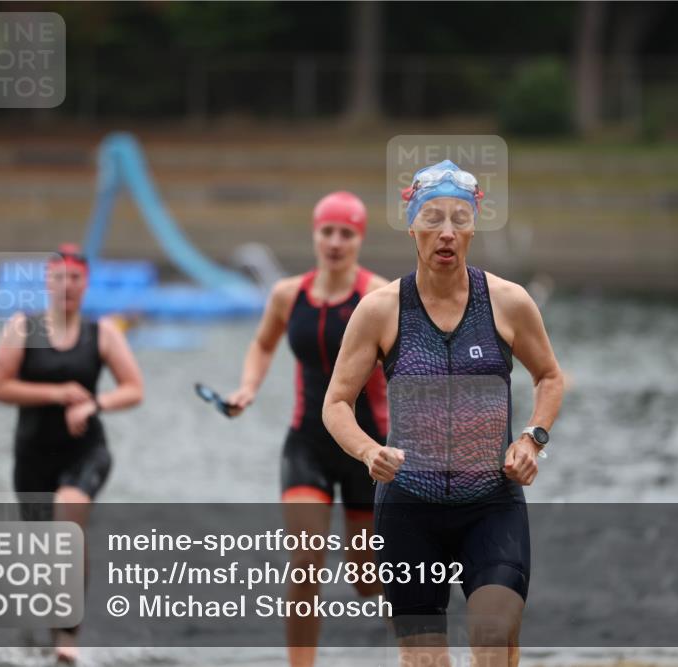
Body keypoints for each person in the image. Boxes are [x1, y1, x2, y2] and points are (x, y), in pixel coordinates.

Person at [323, 161, 565, 666]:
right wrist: (369, 450)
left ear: (474, 225)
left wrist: (532, 439)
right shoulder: (381, 310)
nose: (446, 233)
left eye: (459, 219)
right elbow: (337, 404)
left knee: (494, 634)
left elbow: (549, 377)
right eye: (433, 219)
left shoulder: (507, 302)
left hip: (491, 503)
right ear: (412, 226)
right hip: (409, 507)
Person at [225, 191, 390, 667]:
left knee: (367, 579)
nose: (336, 242)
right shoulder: (287, 295)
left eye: (347, 233)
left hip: (366, 447)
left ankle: (419, 632)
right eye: (327, 231)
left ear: (359, 239)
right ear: (314, 235)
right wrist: (247, 388)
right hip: (307, 444)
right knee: (306, 559)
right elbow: (262, 345)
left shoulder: (377, 295)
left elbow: (407, 362)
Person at [0, 244, 144, 664]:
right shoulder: (23, 328)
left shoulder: (102, 332)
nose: (67, 286)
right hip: (33, 456)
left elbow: (134, 389)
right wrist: (56, 393)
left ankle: (68, 639)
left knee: (67, 521)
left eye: (75, 278)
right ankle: (55, 623)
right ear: (47, 282)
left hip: (86, 451)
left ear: (86, 283)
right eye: (59, 278)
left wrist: (95, 403)